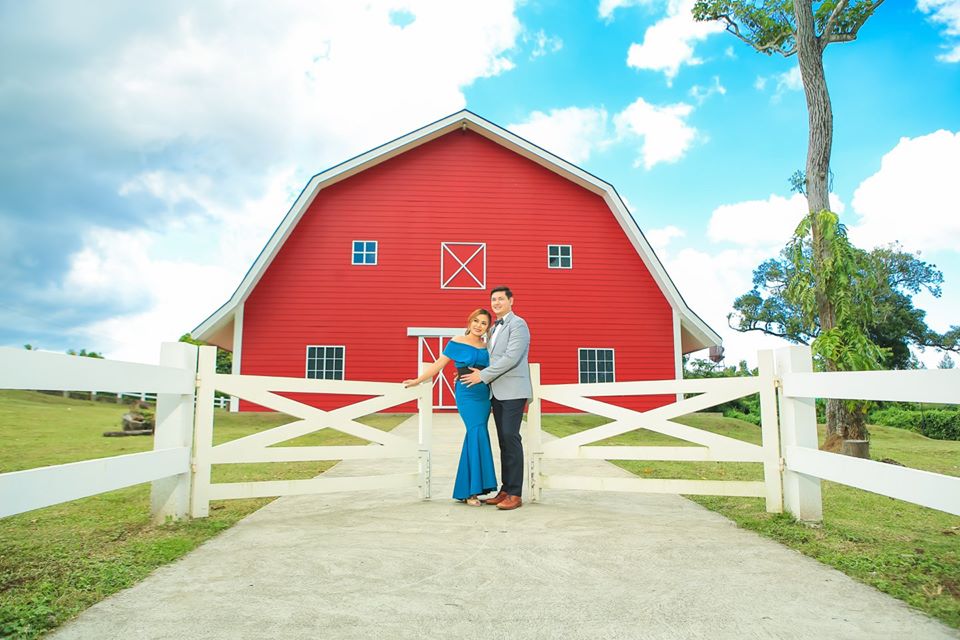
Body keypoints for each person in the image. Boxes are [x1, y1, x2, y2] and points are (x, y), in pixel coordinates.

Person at [404, 308, 497, 506]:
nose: (479, 326)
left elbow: (494, 369)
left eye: (484, 323)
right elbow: (439, 364)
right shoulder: (457, 341)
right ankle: (471, 491)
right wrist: (419, 380)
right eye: (476, 321)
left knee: (479, 434)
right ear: (469, 321)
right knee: (475, 432)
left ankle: (471, 489)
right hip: (466, 394)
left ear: (487, 328)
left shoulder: (487, 346)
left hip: (483, 395)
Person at [462, 286, 531, 511]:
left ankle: (515, 493)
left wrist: (481, 375)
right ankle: (505, 488)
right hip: (496, 392)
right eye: (493, 299)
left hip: (513, 391)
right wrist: (467, 371)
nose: (497, 303)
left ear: (511, 300)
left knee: (511, 438)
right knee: (503, 441)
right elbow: (489, 358)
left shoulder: (518, 324)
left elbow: (511, 358)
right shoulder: (491, 330)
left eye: (501, 299)